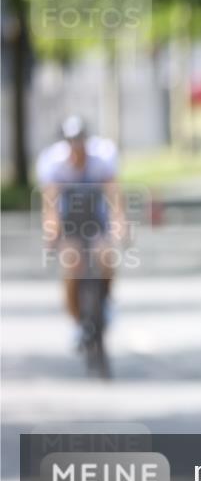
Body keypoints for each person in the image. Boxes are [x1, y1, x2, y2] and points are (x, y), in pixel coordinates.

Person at [37, 116, 124, 344]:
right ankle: (76, 320)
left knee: (106, 257)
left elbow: (113, 195)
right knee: (72, 264)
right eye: (71, 141)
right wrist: (51, 229)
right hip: (70, 222)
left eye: (80, 140)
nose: (76, 147)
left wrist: (119, 222)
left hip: (96, 219)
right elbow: (51, 203)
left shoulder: (102, 158)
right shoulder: (54, 163)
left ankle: (105, 302)